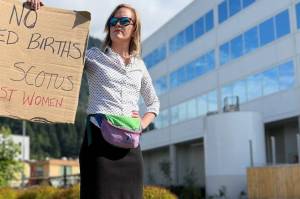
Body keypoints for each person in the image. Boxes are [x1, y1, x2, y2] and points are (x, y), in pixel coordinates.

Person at [28, 1, 160, 199]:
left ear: (134, 29)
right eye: (114, 20)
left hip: (131, 148)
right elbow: (57, 50)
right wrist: (42, 14)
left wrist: (142, 124)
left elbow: (154, 103)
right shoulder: (93, 56)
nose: (118, 24)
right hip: (99, 143)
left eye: (125, 21)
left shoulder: (139, 66)